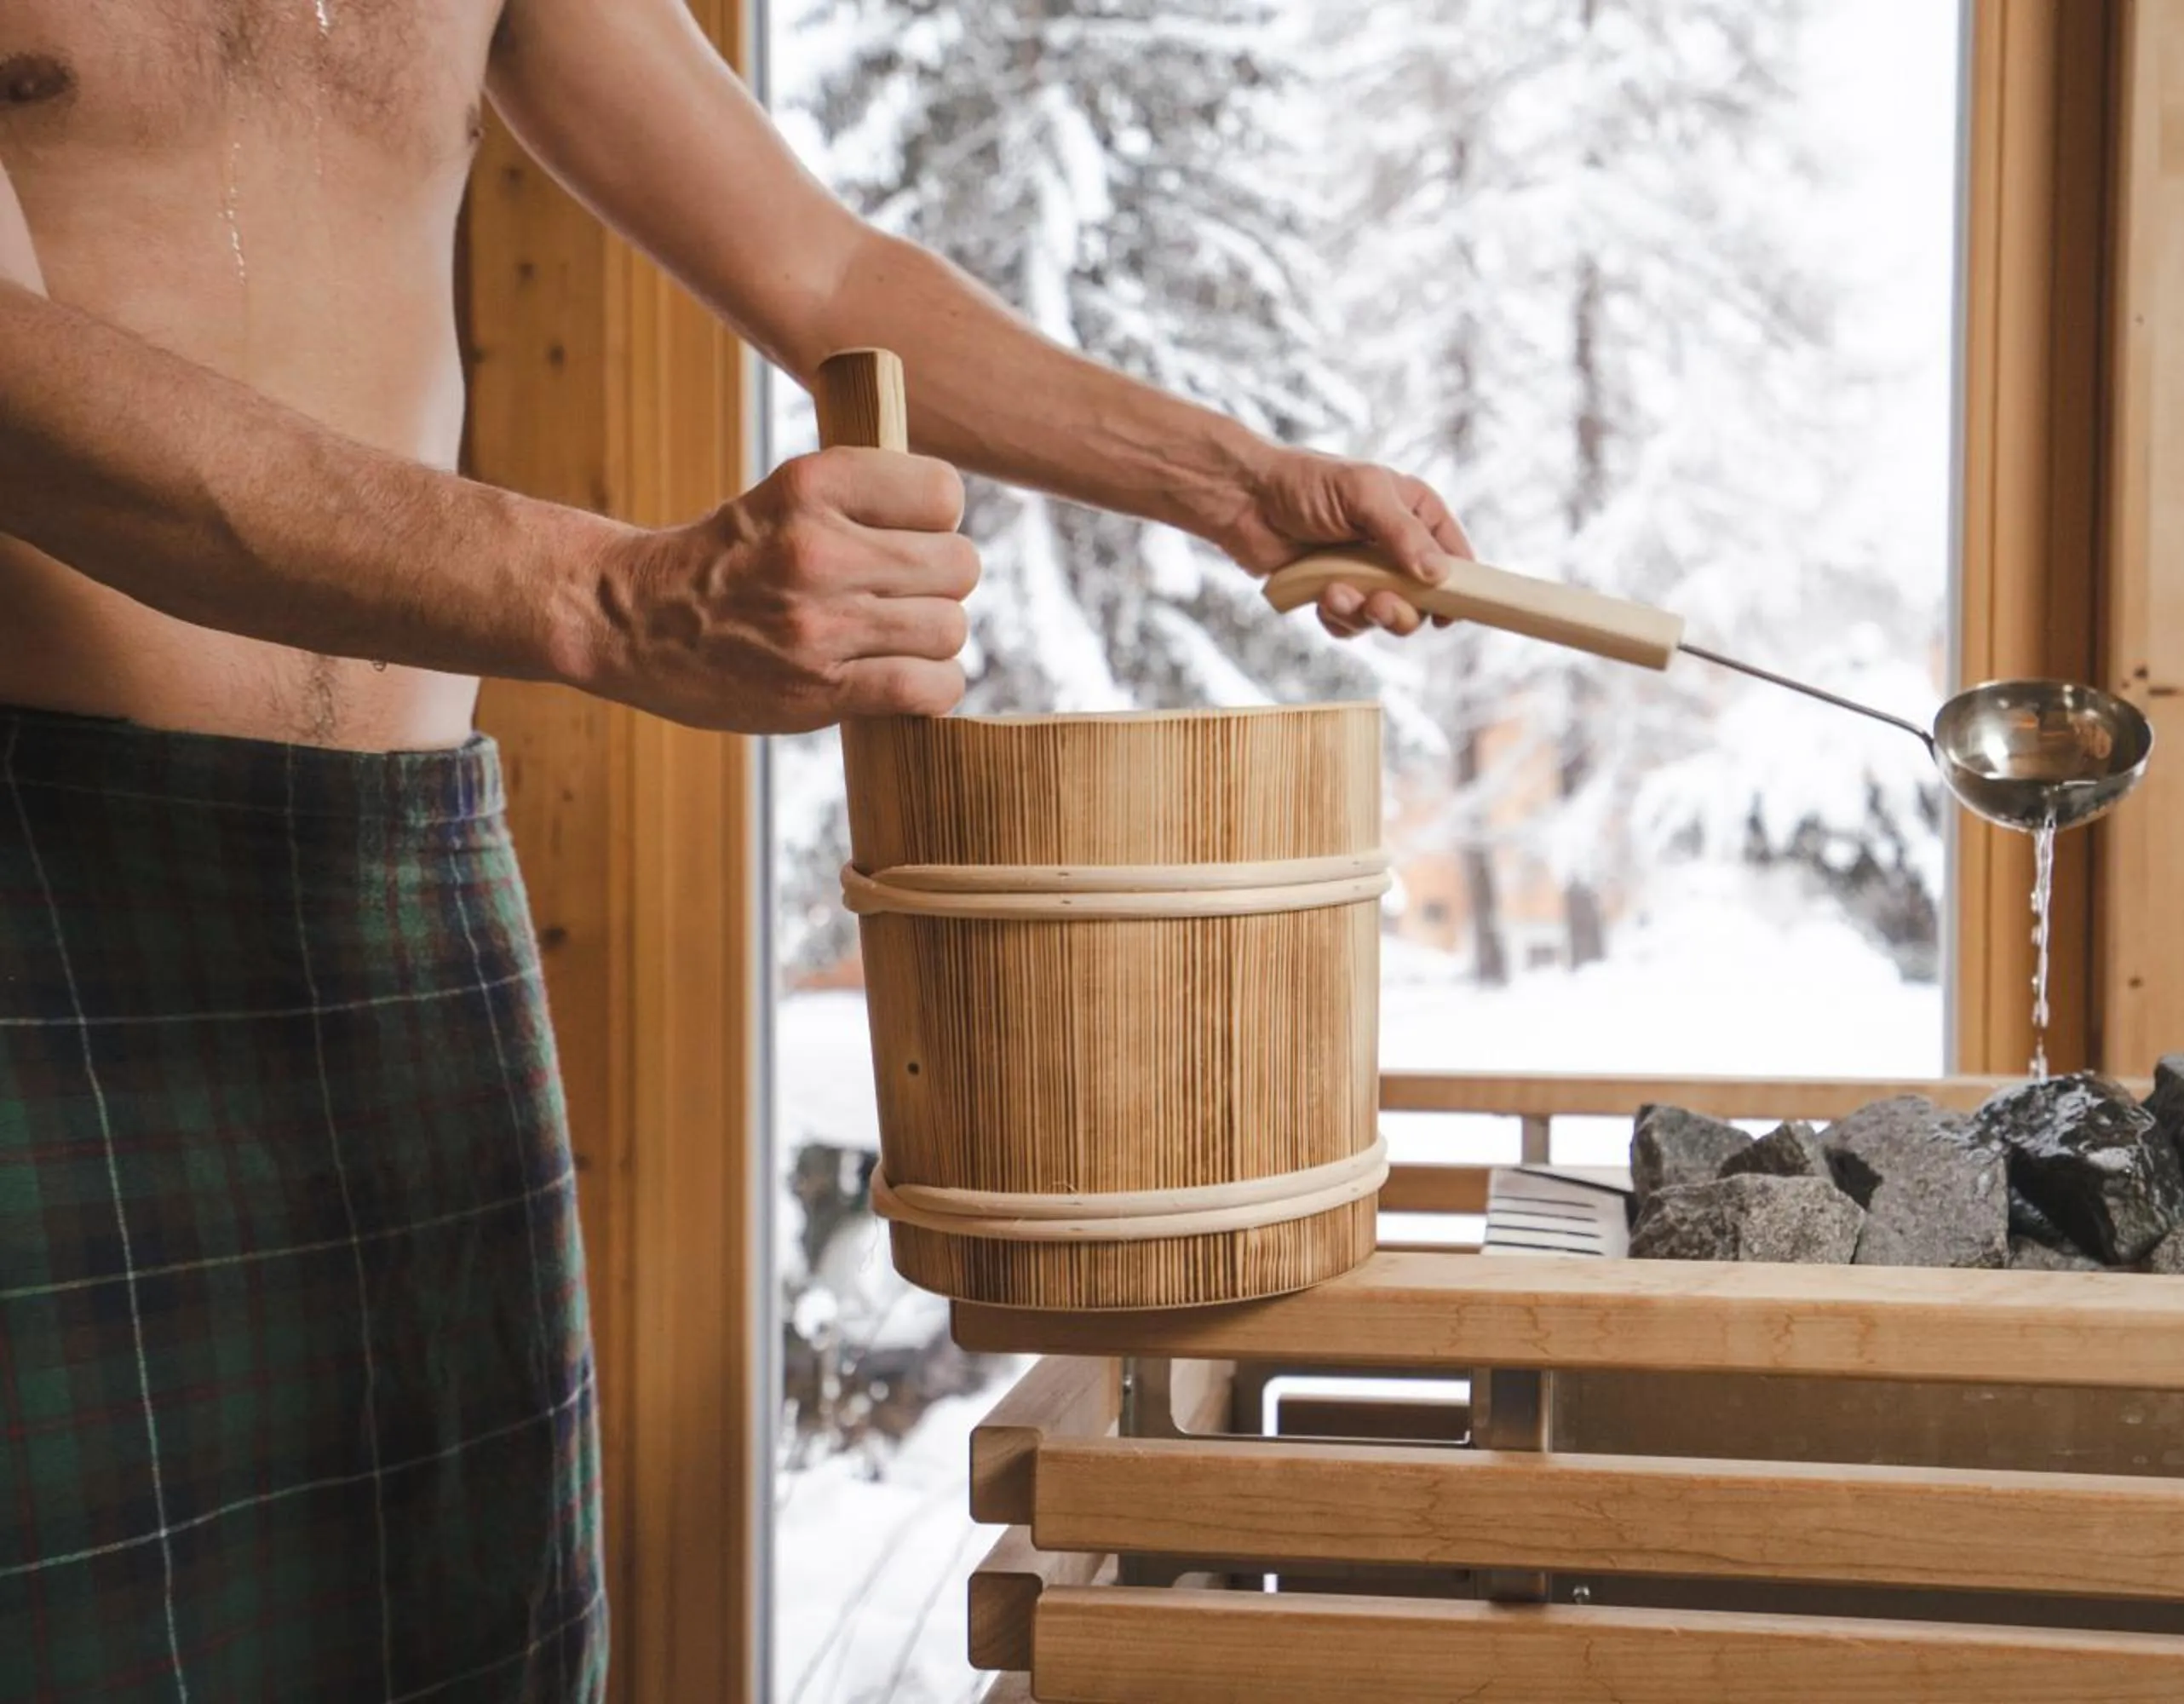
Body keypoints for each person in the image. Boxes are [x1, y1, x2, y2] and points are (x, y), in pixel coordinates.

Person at [0, 3, 1469, 1696]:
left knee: (472, 1634)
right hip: (44, 876)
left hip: (396, 885)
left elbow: (822, 271)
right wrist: (604, 595)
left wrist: (1236, 481)